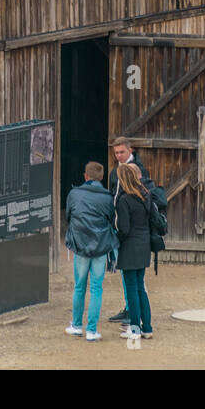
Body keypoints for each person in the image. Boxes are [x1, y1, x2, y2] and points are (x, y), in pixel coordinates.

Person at [63, 161, 118, 342]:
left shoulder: (74, 194)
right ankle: (92, 330)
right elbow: (111, 219)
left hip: (80, 245)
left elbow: (68, 216)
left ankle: (77, 326)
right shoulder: (108, 197)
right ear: (101, 177)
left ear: (85, 176)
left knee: (79, 287)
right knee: (96, 288)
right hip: (101, 246)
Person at [107, 136, 151, 324]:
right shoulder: (113, 172)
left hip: (133, 231)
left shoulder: (139, 170)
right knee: (131, 281)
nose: (119, 156)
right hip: (126, 229)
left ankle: (137, 319)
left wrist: (121, 231)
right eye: (116, 153)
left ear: (130, 151)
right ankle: (131, 311)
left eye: (121, 152)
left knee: (136, 282)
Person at [114, 162, 153, 341]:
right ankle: (148, 327)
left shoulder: (124, 200)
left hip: (130, 247)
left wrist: (116, 239)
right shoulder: (145, 195)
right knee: (140, 288)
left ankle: (135, 328)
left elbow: (124, 228)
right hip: (144, 244)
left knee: (131, 290)